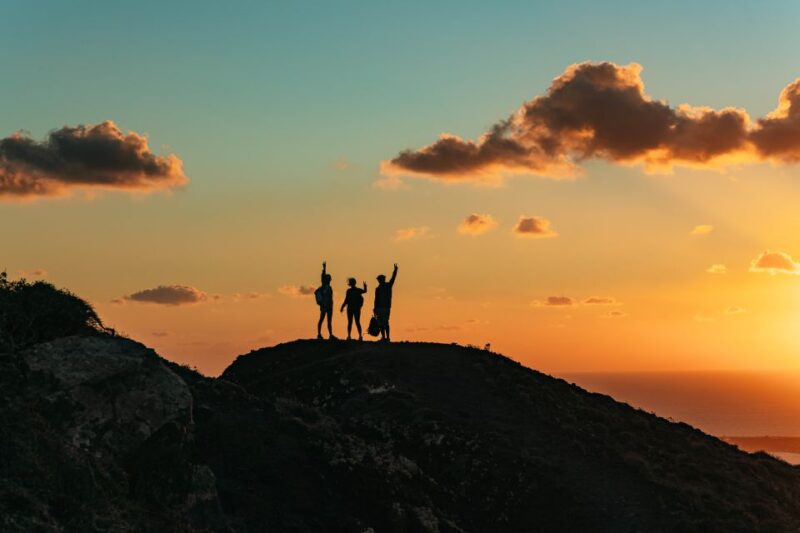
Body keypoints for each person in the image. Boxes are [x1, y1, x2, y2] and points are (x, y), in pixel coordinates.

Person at [373, 263, 398, 342]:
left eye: (379, 279)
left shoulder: (387, 285)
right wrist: (375, 308)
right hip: (382, 307)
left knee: (384, 323)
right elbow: (376, 299)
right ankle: (385, 337)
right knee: (382, 323)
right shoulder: (379, 288)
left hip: (385, 307)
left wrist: (395, 270)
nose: (379, 280)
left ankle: (386, 337)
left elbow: (393, 278)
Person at [315, 261, 336, 340]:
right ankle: (319, 334)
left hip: (330, 305)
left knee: (329, 321)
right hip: (324, 305)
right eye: (329, 278)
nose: (330, 279)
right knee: (321, 319)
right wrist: (324, 268)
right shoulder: (324, 286)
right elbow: (322, 276)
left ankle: (330, 335)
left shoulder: (329, 287)